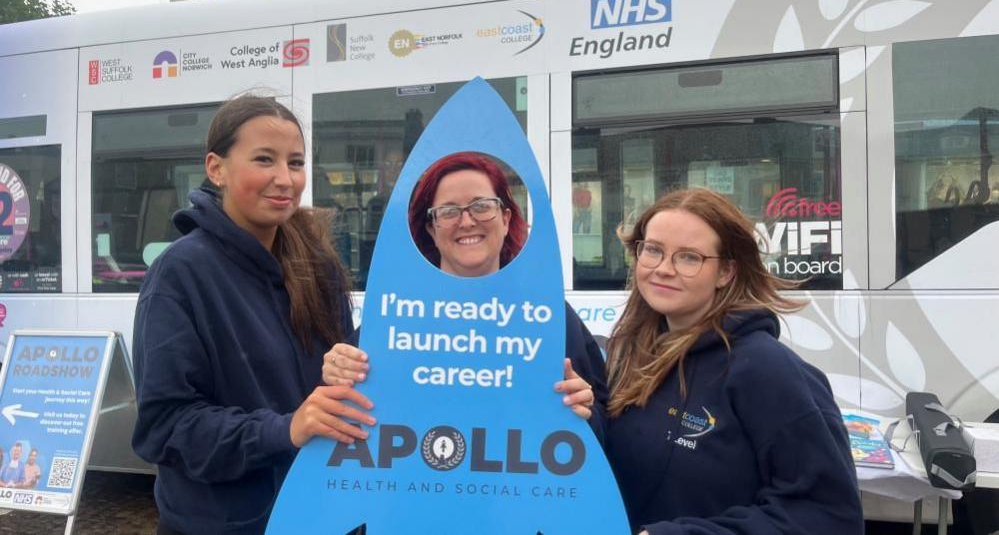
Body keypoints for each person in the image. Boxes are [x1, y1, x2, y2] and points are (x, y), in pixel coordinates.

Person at [131, 94, 375, 535]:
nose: (285, 179)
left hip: (322, 515)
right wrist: (285, 430)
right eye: (265, 159)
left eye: (296, 163)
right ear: (216, 168)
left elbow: (355, 380)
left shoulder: (316, 262)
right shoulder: (180, 274)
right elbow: (165, 428)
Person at [604, 188, 862, 534]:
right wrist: (586, 413)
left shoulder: (766, 369)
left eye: (689, 257)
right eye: (653, 250)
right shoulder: (629, 351)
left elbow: (829, 517)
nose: (663, 269)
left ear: (726, 272)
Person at [323, 152, 607, 430]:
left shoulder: (547, 315)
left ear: (506, 219)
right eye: (448, 212)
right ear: (432, 230)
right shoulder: (399, 314)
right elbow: (341, 414)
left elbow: (603, 422)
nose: (467, 221)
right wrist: (336, 372)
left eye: (481, 206)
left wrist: (586, 413)